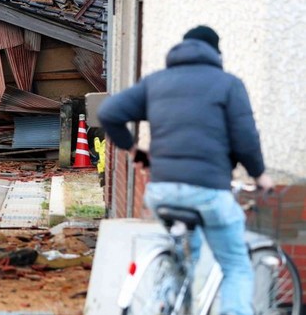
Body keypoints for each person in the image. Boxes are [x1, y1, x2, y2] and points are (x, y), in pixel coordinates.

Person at [98, 25, 273, 315]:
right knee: (235, 265)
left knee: (187, 257)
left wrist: (133, 149)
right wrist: (260, 175)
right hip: (208, 191)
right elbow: (246, 140)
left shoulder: (156, 82)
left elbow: (108, 113)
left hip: (161, 191)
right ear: (216, 53)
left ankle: (172, 302)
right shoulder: (228, 84)